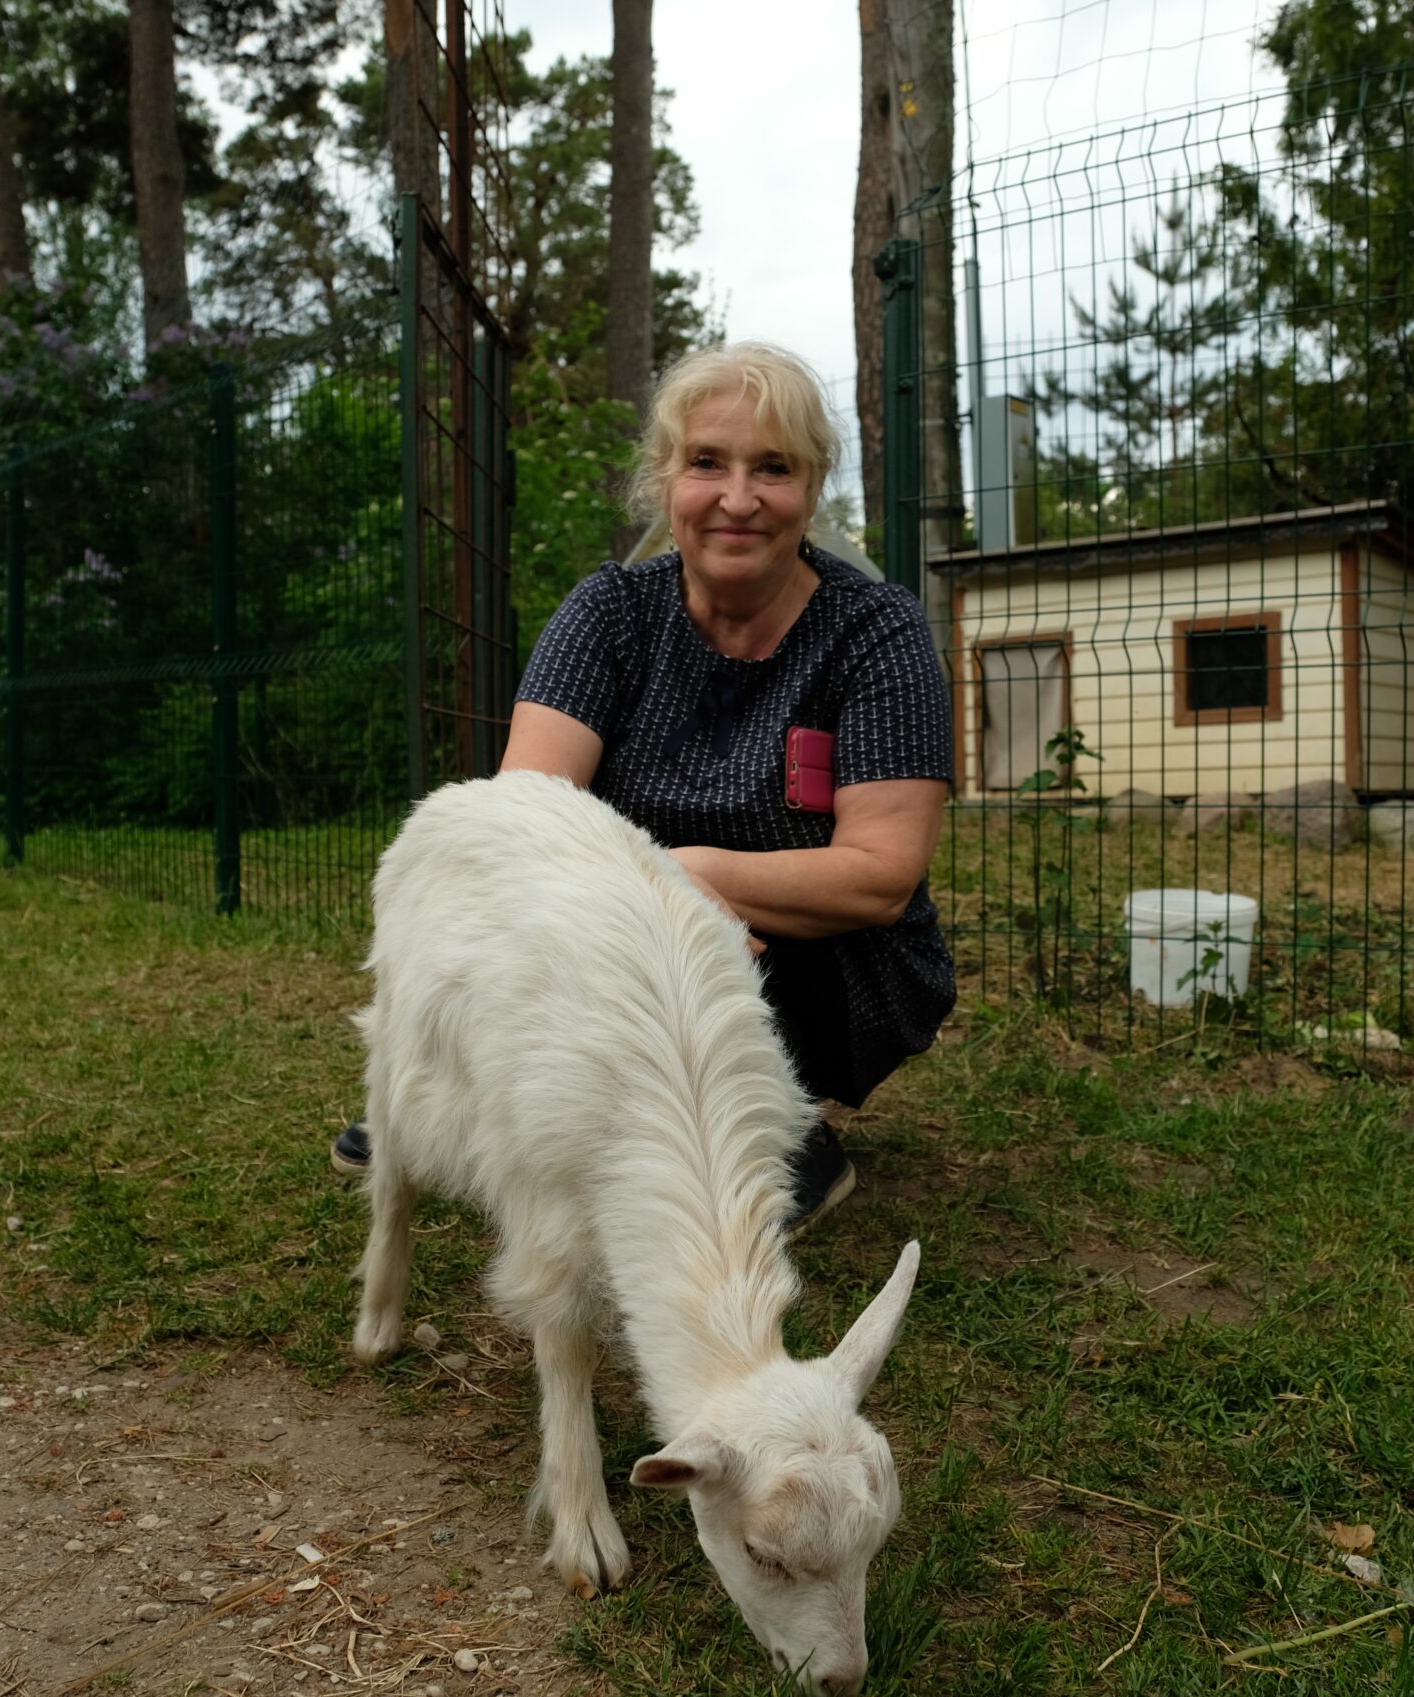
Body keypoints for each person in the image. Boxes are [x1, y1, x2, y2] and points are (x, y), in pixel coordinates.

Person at [334, 342, 956, 1230]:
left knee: (717, 942)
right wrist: (660, 896)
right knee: (551, 914)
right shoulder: (610, 612)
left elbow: (881, 874)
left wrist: (688, 877)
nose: (738, 497)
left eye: (773, 467)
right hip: (619, 937)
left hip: (818, 962)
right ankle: (495, 1096)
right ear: (664, 478)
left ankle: (783, 1131)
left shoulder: (876, 631)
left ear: (813, 487)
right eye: (707, 462)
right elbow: (523, 824)